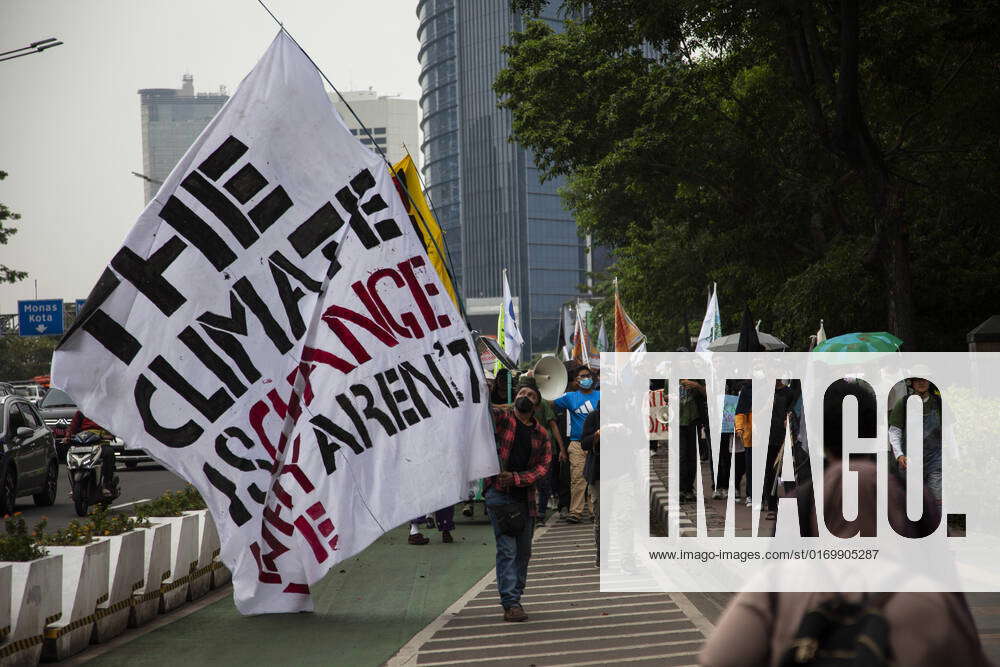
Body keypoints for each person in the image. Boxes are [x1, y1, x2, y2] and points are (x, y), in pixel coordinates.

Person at [700, 380, 990, 667]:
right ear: (874, 430)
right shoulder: (916, 499)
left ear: (819, 435)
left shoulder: (799, 504)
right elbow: (948, 589)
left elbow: (730, 647)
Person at [484, 380, 552, 622]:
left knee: (524, 551)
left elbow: (544, 467)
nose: (525, 396)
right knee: (507, 550)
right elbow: (485, 408)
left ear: (536, 404)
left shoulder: (541, 433)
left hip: (526, 498)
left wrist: (517, 478)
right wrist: (484, 388)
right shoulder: (504, 419)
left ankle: (516, 596)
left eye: (530, 395)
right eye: (522, 392)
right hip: (499, 494)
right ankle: (511, 602)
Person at [553, 366, 600, 523]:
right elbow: (549, 400)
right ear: (576, 381)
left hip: (598, 444)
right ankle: (576, 512)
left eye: (588, 375)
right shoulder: (570, 397)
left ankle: (596, 511)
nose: (586, 378)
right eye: (582, 376)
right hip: (577, 444)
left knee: (596, 479)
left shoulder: (602, 395)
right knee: (578, 479)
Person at [889, 376, 943, 507]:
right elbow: (894, 431)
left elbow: (948, 430)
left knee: (936, 500)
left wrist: (954, 455)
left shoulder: (939, 403)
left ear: (929, 382)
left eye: (924, 379)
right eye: (917, 380)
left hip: (934, 461)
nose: (921, 382)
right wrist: (899, 454)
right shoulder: (903, 403)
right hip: (910, 461)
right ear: (912, 383)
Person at [65, 410, 117, 497]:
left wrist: (111, 434)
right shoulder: (82, 410)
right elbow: (72, 426)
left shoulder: (107, 409)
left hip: (100, 441)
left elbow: (113, 425)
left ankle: (106, 484)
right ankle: (74, 486)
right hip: (83, 441)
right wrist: (67, 436)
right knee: (69, 455)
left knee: (109, 453)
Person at [533, 396, 565, 526]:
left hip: (546, 448)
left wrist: (561, 448)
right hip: (528, 448)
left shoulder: (543, 404)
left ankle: (540, 513)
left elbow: (553, 425)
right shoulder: (518, 405)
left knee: (544, 482)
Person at [678, 378, 707, 503]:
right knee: (682, 456)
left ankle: (689, 488)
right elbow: (665, 397)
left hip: (694, 420)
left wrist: (697, 386)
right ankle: (681, 489)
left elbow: (707, 395)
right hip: (678, 421)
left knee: (692, 456)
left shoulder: (698, 378)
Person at [580, 404, 600, 566]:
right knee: (601, 518)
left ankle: (626, 557)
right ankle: (602, 552)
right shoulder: (594, 417)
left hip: (623, 472)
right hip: (599, 475)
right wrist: (597, 436)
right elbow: (584, 443)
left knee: (625, 517)